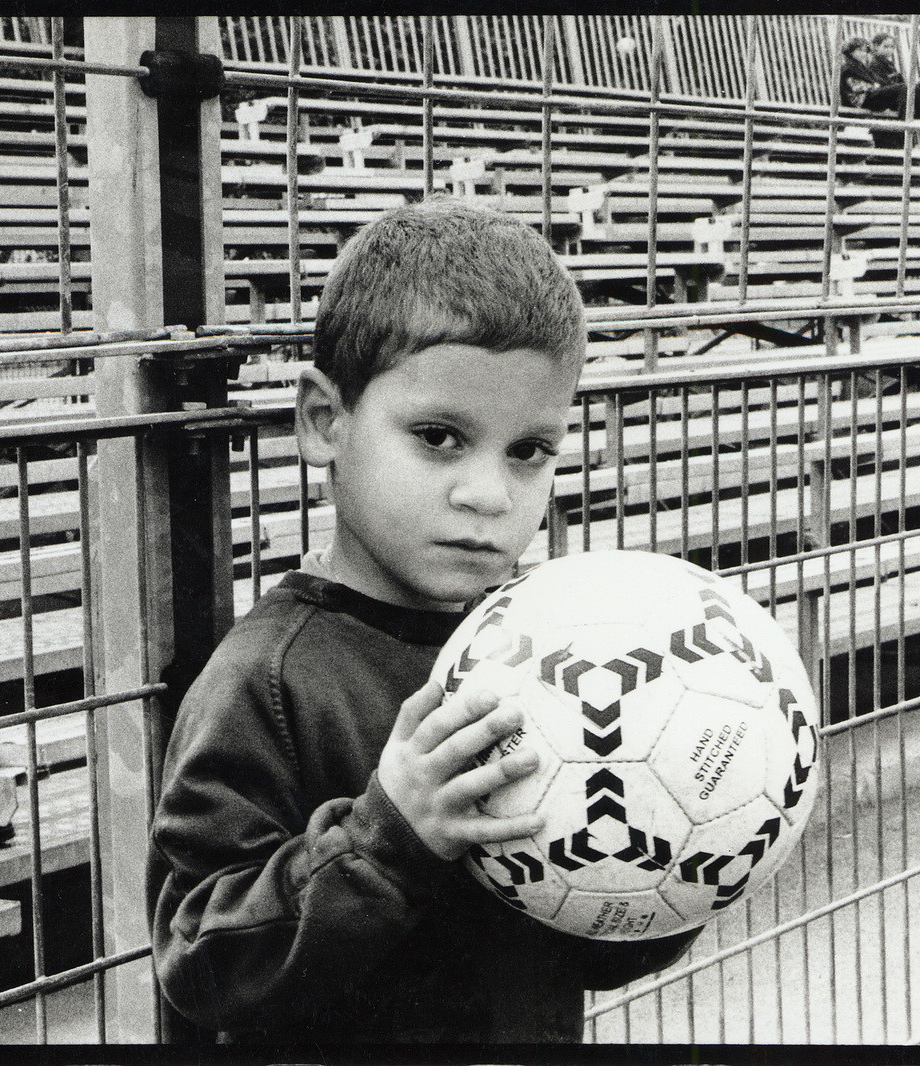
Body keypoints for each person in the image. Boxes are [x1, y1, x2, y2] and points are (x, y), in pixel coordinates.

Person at [148, 200, 700, 1043]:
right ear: (323, 422)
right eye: (439, 436)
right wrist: (385, 839)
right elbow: (199, 961)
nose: (487, 494)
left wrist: (682, 857)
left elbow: (577, 952)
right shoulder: (265, 679)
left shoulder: (544, 656)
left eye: (529, 451)